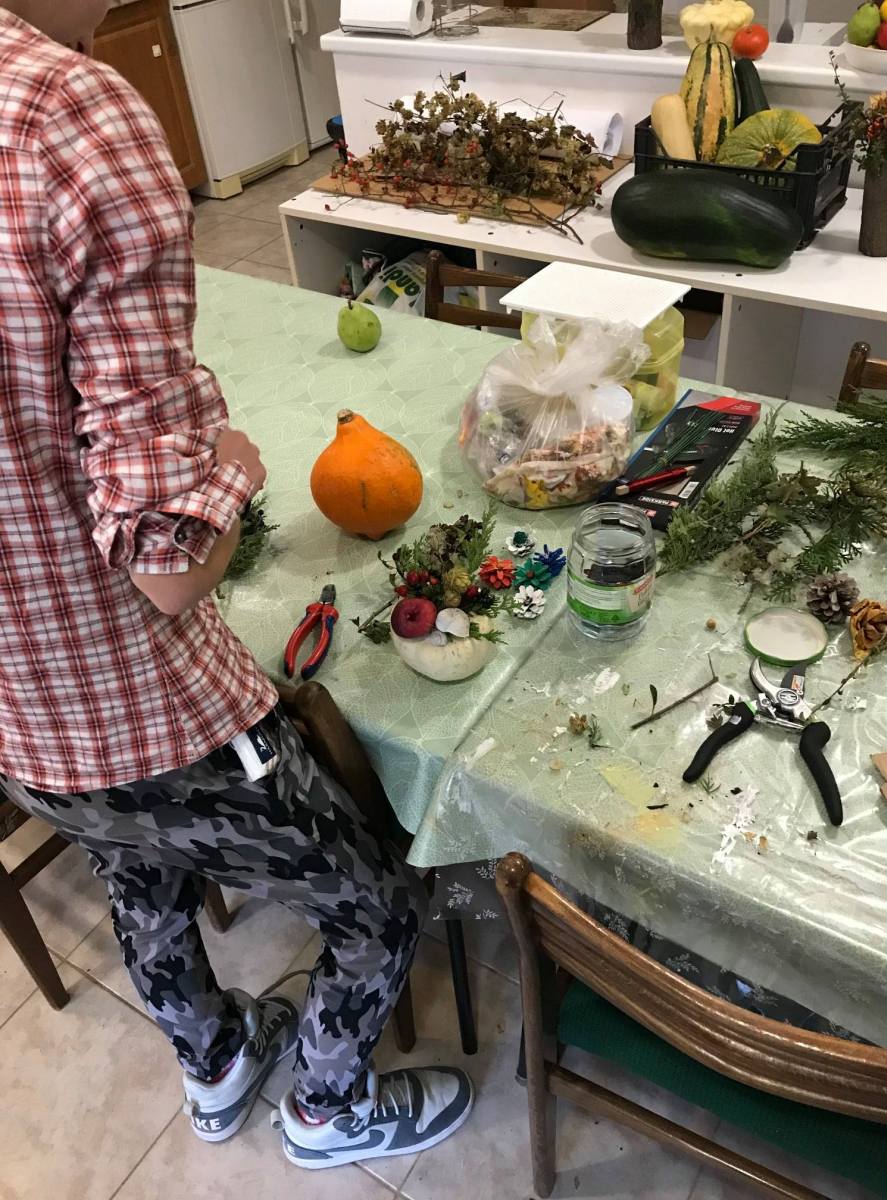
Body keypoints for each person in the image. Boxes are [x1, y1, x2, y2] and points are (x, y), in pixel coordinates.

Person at [0, 0, 473, 1170]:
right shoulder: (65, 118)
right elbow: (172, 572)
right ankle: (328, 1108)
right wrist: (229, 467)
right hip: (136, 706)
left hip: (18, 725)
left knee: (137, 866)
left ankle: (213, 1066)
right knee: (377, 903)